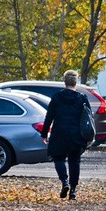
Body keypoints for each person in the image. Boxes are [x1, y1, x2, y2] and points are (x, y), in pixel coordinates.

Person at [41, 70, 92, 200]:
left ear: (65, 81)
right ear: (76, 82)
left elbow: (49, 117)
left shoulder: (57, 97)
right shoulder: (82, 98)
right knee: (74, 161)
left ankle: (65, 182)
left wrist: (44, 133)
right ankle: (73, 191)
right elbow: (88, 118)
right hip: (77, 135)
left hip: (59, 133)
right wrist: (89, 136)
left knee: (58, 158)